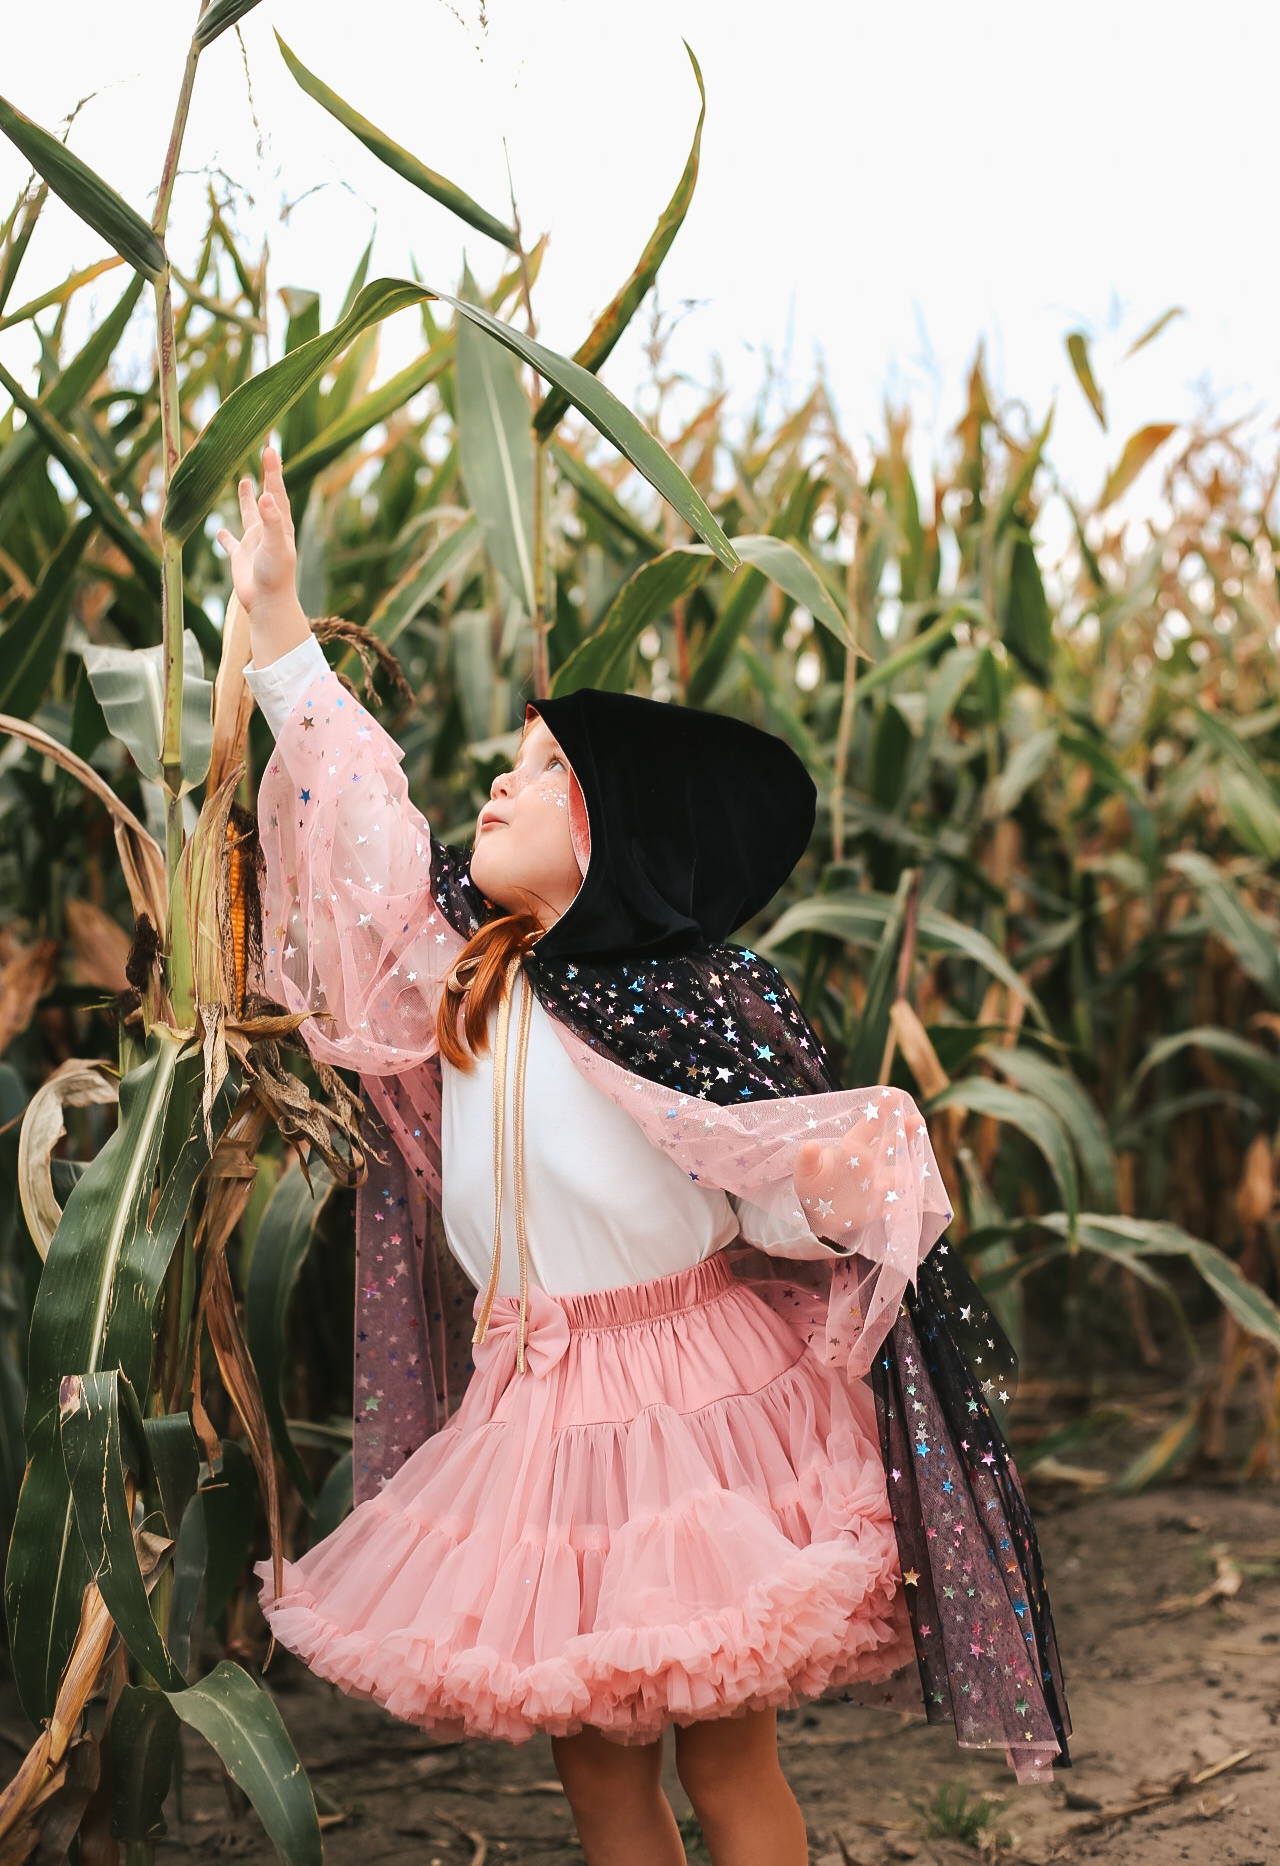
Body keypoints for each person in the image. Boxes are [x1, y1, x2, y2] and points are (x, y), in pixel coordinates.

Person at [222, 449, 1069, 1866]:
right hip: (534, 1410)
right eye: (514, 756)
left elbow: (759, 1178)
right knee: (598, 1773)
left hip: (697, 1401)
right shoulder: (469, 974)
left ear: (618, 845)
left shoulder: (684, 1006)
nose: (501, 779)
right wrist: (282, 633)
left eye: (547, 772)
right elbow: (364, 827)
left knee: (725, 1757)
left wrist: (839, 1185)